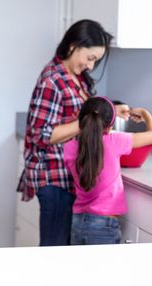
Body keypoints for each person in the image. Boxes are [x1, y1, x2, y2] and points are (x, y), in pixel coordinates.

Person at [16, 19, 131, 246]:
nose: (91, 66)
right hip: (54, 179)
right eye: (90, 58)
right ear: (72, 46)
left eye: (95, 62)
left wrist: (111, 110)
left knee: (63, 255)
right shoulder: (53, 80)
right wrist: (89, 121)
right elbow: (42, 134)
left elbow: (78, 113)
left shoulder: (76, 78)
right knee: (55, 253)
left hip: (68, 178)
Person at [63, 97, 152, 244]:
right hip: (104, 226)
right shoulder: (115, 141)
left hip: (77, 222)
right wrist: (145, 114)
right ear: (110, 126)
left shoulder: (69, 147)